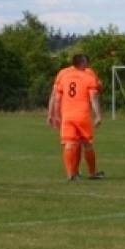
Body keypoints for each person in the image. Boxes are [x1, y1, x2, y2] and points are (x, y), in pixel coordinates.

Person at [50, 53, 104, 181]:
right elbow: (93, 98)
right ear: (82, 63)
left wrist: (56, 115)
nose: (88, 65)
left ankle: (71, 174)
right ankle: (92, 172)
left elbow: (57, 98)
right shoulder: (88, 77)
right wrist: (98, 115)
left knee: (69, 144)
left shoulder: (65, 77)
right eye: (86, 62)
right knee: (87, 143)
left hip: (67, 115)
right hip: (82, 115)